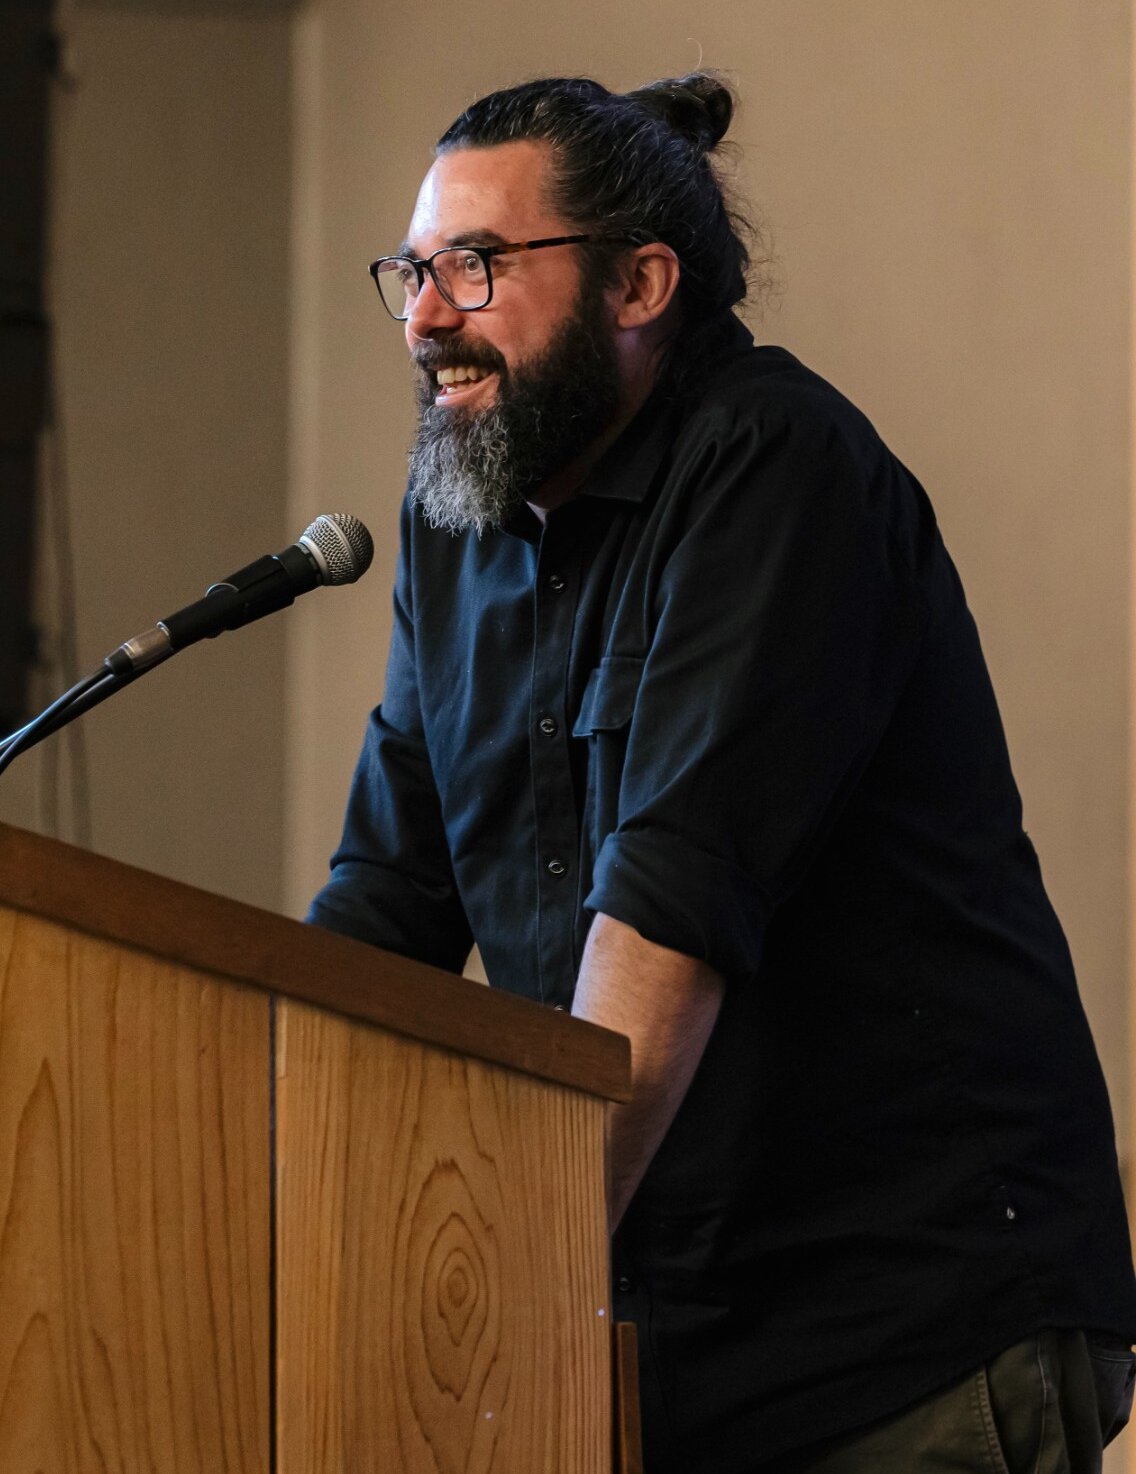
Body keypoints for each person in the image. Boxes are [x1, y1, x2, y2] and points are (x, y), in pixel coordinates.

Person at [307, 74, 1136, 1474]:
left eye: (477, 265)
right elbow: (383, 910)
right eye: (414, 269)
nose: (426, 315)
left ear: (640, 283)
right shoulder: (456, 523)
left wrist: (497, 1304)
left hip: (901, 1330)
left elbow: (668, 921)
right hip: (666, 1340)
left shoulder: (776, 467)